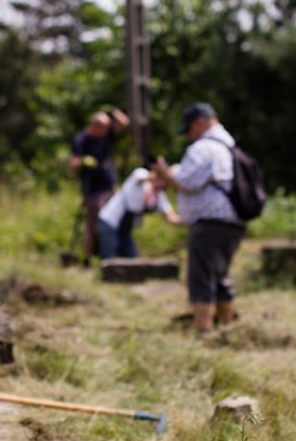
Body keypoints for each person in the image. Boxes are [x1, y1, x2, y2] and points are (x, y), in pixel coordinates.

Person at [154, 102, 245, 336]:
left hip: (210, 224)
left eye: (189, 129)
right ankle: (227, 328)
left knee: (202, 277)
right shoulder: (228, 146)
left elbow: (187, 183)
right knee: (221, 276)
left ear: (201, 123)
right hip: (231, 223)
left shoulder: (204, 148)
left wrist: (165, 174)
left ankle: (204, 332)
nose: (188, 136)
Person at [69, 108, 129, 265]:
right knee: (92, 226)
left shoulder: (107, 136)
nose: (107, 130)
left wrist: (111, 111)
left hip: (110, 187)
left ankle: (113, 256)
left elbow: (124, 122)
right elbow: (73, 164)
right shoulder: (81, 140)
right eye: (104, 127)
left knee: (113, 222)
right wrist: (84, 161)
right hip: (93, 189)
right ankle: (87, 259)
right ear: (95, 126)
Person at [98, 160, 180, 260]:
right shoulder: (140, 175)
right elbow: (141, 178)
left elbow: (170, 216)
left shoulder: (159, 197)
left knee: (133, 259)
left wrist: (192, 219)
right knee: (110, 259)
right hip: (110, 221)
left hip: (125, 228)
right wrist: (163, 172)